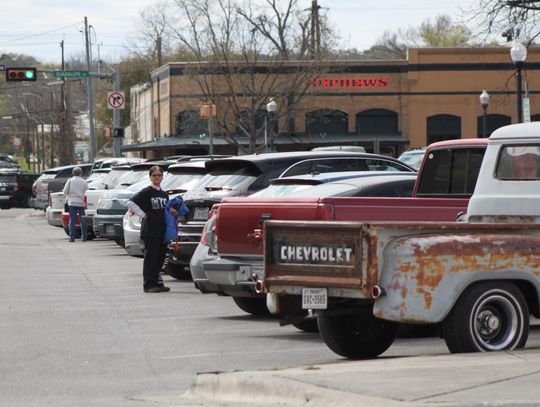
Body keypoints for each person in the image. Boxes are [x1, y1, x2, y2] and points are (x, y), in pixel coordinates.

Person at [127, 165, 177, 293]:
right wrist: (143, 214)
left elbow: (164, 210)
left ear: (162, 176)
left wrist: (170, 210)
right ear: (150, 177)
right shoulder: (146, 192)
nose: (157, 177)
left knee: (160, 257)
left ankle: (157, 283)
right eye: (154, 175)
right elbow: (131, 203)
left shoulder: (164, 194)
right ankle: (149, 285)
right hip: (150, 230)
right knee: (151, 258)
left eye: (159, 175)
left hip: (162, 230)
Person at [63, 166, 89, 242]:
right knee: (83, 220)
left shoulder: (70, 181)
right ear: (80, 173)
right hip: (81, 203)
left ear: (73, 173)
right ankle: (84, 237)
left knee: (72, 220)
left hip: (72, 202)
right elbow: (87, 190)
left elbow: (65, 191)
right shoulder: (83, 181)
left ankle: (72, 237)